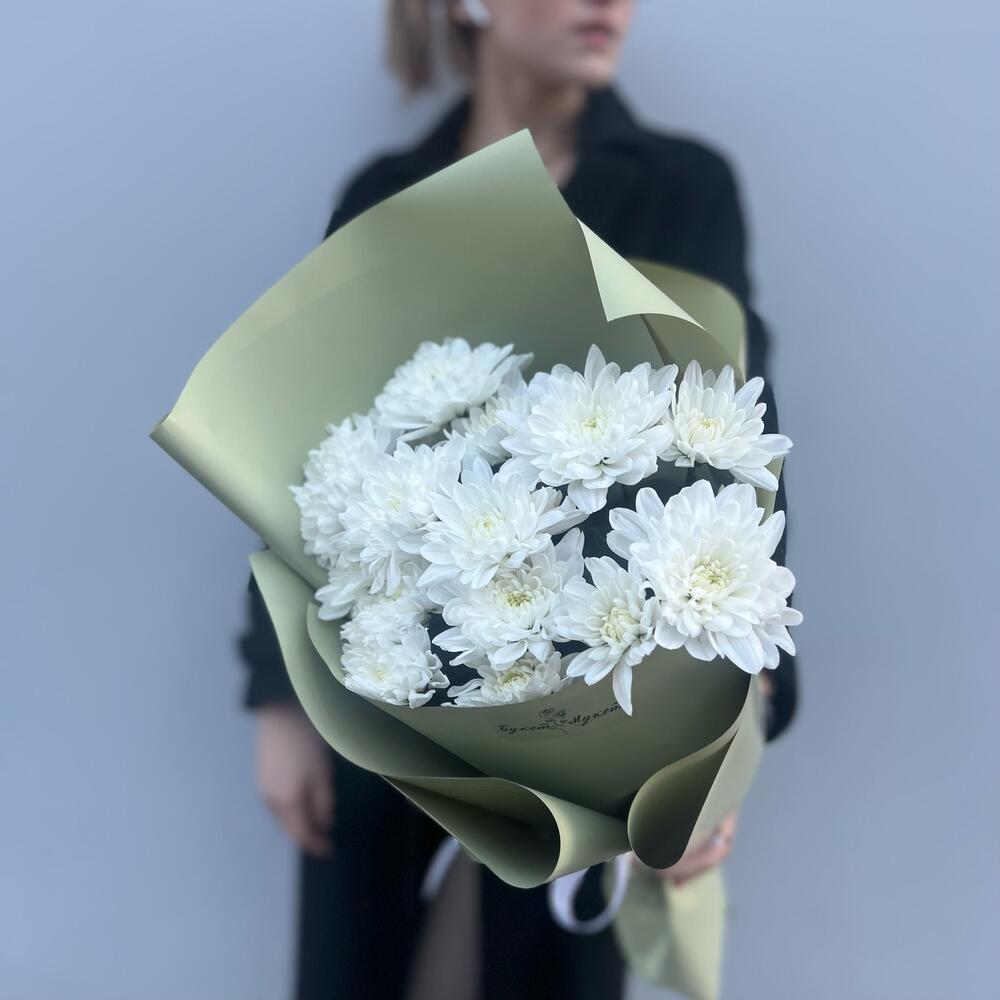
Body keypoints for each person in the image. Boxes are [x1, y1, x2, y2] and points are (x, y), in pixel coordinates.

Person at [239, 2, 799, 998]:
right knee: (364, 964)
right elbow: (307, 444)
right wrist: (278, 696)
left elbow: (737, 435)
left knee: (547, 970)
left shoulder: (678, 185)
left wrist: (729, 718)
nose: (609, 5)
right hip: (383, 677)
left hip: (600, 695)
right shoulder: (386, 193)